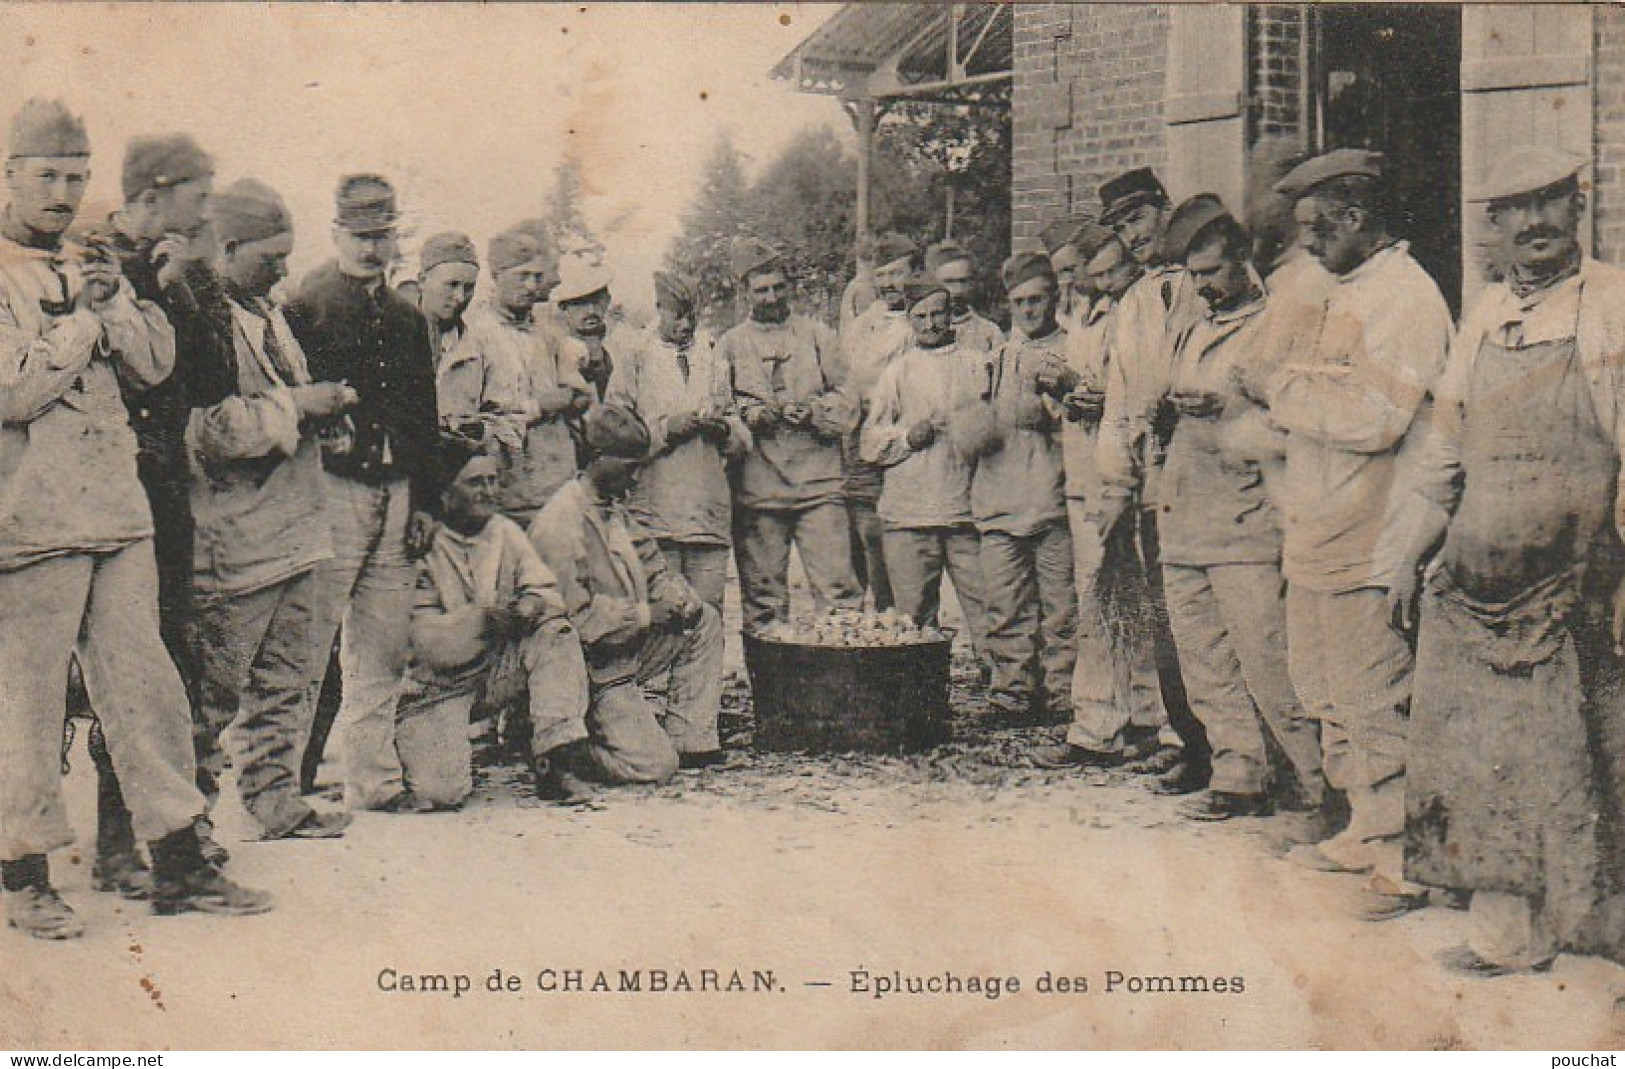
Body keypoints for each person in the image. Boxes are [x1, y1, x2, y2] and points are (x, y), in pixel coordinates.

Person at [0, 99, 270, 938]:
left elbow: (156, 367)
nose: (63, 190)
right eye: (47, 174)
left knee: (147, 688)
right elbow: (13, 390)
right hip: (29, 517)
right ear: (9, 175)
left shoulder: (91, 257)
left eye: (77, 176)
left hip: (117, 511)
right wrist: (85, 320)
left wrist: (116, 303)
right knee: (28, 704)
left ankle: (179, 858)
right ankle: (25, 872)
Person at [1379, 149, 1625, 971]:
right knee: (1473, 757)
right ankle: (1503, 937)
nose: (1533, 224)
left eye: (1548, 202)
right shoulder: (1483, 312)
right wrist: (1406, 556)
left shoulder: (1613, 305)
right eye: (1513, 208)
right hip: (1473, 583)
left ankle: (1592, 927)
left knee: (1581, 752)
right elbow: (1445, 447)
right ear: (1492, 225)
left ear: (1576, 205)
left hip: (1576, 587)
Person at [1268, 148, 1451, 920]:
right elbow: (1273, 367)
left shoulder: (1406, 299)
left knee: (1373, 691)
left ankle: (1404, 854)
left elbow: (1373, 422)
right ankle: (1361, 824)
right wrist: (1296, 391)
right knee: (1322, 684)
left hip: (1372, 527)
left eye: (1315, 226)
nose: (1304, 242)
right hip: (1315, 520)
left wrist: (1286, 401)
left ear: (1354, 217)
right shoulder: (1326, 286)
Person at [1143, 196, 1325, 820]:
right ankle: (1238, 772)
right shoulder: (1193, 329)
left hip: (1248, 518)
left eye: (1213, 273)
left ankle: (1316, 783)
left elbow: (1294, 420)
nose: (1204, 287)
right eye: (1195, 276)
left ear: (1243, 260)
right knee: (1205, 658)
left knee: (1268, 656)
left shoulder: (1278, 326)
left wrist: (1229, 412)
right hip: (1187, 513)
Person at [188, 178, 356, 840]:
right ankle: (189, 820)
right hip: (235, 538)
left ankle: (273, 795)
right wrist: (297, 406)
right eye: (268, 257)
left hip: (298, 526)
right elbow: (208, 430)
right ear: (225, 249)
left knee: (289, 680)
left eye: (287, 255)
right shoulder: (199, 320)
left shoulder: (271, 313)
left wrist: (325, 418)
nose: (283, 269)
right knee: (213, 691)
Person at [285, 173, 443, 813]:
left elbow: (425, 416)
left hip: (396, 490)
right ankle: (277, 787)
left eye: (382, 236)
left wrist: (426, 502)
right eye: (361, 236)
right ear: (336, 234)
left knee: (380, 646)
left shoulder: (408, 318)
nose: (373, 249)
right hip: (333, 490)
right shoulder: (308, 304)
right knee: (305, 642)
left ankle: (372, 785)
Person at [529, 404, 726, 799]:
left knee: (704, 619)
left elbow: (651, 563)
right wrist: (646, 614)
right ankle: (567, 749)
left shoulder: (611, 505)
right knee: (655, 767)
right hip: (587, 670)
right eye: (630, 466)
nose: (637, 476)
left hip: (622, 650)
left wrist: (675, 594)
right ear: (599, 460)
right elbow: (574, 622)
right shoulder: (562, 521)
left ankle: (690, 738)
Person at [1032, 225, 1168, 770]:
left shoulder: (1138, 308)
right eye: (1066, 271)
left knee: (1122, 597)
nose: (1076, 280)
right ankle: (1110, 719)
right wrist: (1068, 391)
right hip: (1089, 473)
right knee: (1106, 596)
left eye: (1081, 269)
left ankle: (1125, 720)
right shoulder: (1082, 319)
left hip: (1127, 473)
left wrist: (1097, 398)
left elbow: (1139, 390)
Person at [1093, 166, 1209, 793]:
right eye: (1119, 226)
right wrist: (1117, 477)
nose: (1131, 234)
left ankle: (1236, 745)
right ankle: (1191, 739)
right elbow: (1119, 400)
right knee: (1167, 615)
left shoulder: (1207, 284)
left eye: (1137, 218)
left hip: (1209, 473)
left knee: (1215, 616)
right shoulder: (1134, 303)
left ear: (1164, 209)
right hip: (1153, 481)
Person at [401, 436, 590, 809]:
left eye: (493, 481)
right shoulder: (423, 543)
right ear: (445, 493)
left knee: (555, 633)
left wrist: (531, 605)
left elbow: (546, 588)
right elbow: (424, 641)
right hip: (435, 688)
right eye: (475, 483)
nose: (489, 491)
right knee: (442, 793)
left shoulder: (503, 530)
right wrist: (482, 619)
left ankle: (555, 759)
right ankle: (404, 749)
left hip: (491, 672)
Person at [950, 250, 1075, 722]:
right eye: (1020, 301)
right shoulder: (994, 360)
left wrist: (1052, 413)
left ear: (1054, 297)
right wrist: (974, 425)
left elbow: (1090, 424)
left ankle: (1063, 694)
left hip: (1054, 500)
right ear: (1008, 304)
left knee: (1061, 609)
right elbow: (964, 434)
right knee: (1005, 607)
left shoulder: (1073, 350)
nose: (1028, 309)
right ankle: (1012, 692)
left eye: (1037, 299)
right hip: (1000, 502)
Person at [721, 237, 862, 631]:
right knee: (763, 599)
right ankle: (771, 687)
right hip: (758, 487)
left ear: (790, 287)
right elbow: (719, 407)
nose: (771, 297)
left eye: (778, 287)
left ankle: (841, 680)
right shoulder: (730, 345)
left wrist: (816, 412)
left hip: (819, 484)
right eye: (761, 290)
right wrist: (749, 415)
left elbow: (850, 396)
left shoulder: (818, 336)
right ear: (746, 293)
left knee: (838, 591)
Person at [605, 271, 749, 611]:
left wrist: (724, 430)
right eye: (678, 315)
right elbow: (616, 435)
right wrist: (667, 429)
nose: (686, 324)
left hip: (706, 508)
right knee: (666, 613)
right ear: (659, 309)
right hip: (656, 510)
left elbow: (738, 431)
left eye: (692, 316)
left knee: (710, 613)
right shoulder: (635, 356)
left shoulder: (712, 356)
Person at [860, 274, 988, 655]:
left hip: (967, 511)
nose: (931, 324)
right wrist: (907, 438)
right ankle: (920, 697)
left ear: (951, 315)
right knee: (912, 619)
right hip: (909, 512)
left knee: (987, 606)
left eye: (938, 314)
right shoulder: (898, 372)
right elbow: (869, 443)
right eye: (921, 317)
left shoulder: (977, 365)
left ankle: (1003, 686)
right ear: (910, 321)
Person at [439, 228, 591, 526]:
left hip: (559, 491)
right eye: (522, 276)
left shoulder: (550, 333)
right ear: (497, 275)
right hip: (506, 498)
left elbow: (579, 397)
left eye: (537, 277)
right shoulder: (476, 337)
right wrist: (534, 409)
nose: (532, 286)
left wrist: (572, 398)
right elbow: (456, 425)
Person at [841, 231, 917, 614]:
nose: (889, 284)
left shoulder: (923, 318)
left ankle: (903, 615)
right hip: (863, 432)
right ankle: (873, 614)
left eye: (897, 273)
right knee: (865, 528)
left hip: (908, 435)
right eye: (882, 275)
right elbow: (849, 376)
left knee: (902, 531)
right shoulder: (864, 323)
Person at [554, 256, 616, 402]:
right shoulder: (556, 354)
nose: (591, 310)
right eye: (580, 303)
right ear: (564, 308)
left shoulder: (621, 347)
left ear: (607, 300)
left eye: (597, 301)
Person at [925, 240, 1002, 356]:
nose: (958, 290)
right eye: (949, 282)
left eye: (964, 281)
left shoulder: (989, 332)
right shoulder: (920, 329)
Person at [415, 231, 479, 369]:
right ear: (422, 281)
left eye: (469, 287)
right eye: (452, 285)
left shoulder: (479, 343)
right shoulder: (393, 333)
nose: (460, 297)